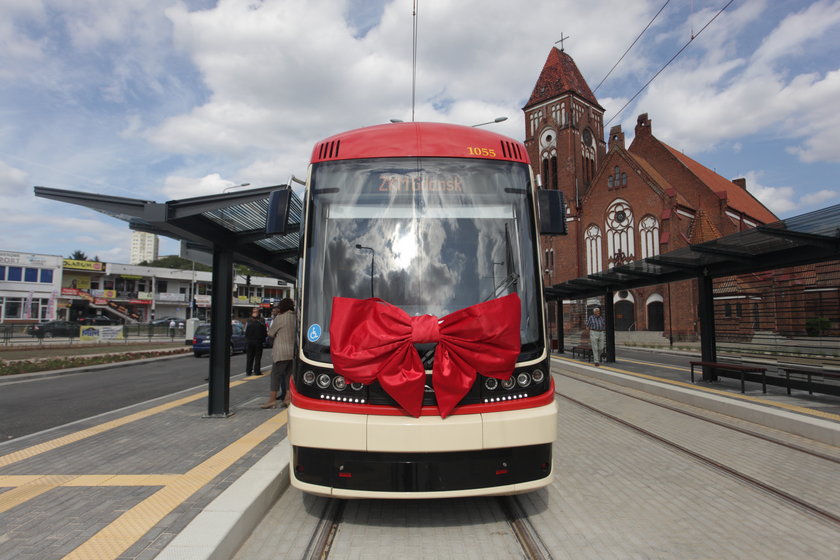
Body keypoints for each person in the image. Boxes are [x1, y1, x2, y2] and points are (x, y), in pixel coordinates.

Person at [261, 298, 296, 409]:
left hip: (281, 352)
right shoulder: (296, 317)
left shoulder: (280, 318)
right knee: (289, 375)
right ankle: (288, 398)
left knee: (275, 375)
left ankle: (272, 400)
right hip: (293, 352)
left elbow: (271, 333)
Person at [244, 308, 268, 376]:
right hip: (258, 341)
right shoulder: (262, 321)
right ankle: (257, 371)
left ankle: (248, 371)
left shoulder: (248, 321)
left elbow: (245, 331)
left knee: (249, 357)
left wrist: (247, 339)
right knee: (258, 357)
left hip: (250, 341)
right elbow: (264, 332)